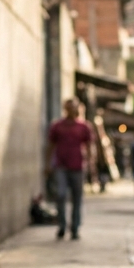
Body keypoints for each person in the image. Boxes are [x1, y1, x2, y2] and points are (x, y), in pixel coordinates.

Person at [46, 98, 92, 240]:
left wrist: (90, 164)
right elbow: (51, 146)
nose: (72, 110)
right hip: (61, 166)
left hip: (77, 166)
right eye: (69, 107)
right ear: (65, 109)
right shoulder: (57, 126)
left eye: (74, 107)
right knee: (60, 195)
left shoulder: (84, 127)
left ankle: (75, 228)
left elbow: (90, 147)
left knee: (77, 198)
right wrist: (48, 164)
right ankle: (61, 225)